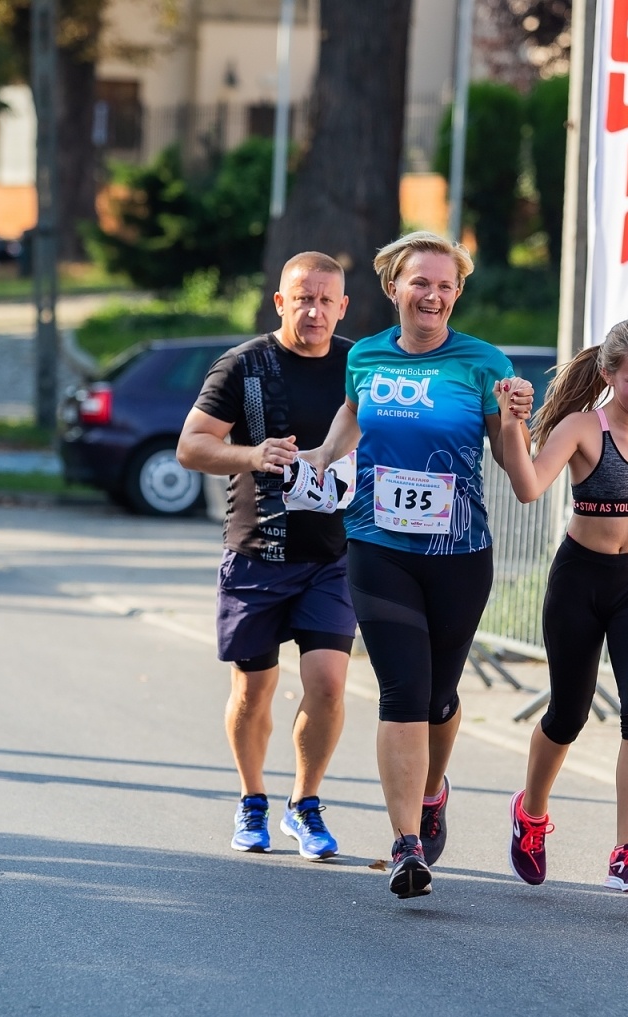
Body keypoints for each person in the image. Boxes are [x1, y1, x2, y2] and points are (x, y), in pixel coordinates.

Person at [305, 231, 534, 899]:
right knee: (402, 691)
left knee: (438, 698)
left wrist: (519, 420)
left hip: (459, 555)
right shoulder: (368, 356)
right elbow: (352, 416)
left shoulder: (485, 364)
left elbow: (519, 477)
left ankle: (432, 792)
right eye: (420, 282)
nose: (432, 295)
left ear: (457, 295)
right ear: (394, 288)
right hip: (377, 546)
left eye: (445, 286)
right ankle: (407, 843)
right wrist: (321, 458)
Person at [495, 318, 628, 895]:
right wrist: (515, 428)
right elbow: (529, 487)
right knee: (568, 714)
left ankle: (627, 851)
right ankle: (532, 813)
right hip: (580, 581)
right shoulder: (580, 430)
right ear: (609, 375)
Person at [176, 252, 356, 860]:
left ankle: (305, 804)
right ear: (280, 302)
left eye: (326, 299)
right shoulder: (244, 366)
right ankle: (252, 797)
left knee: (328, 683)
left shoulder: (360, 366)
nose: (315, 310)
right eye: (303, 297)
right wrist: (253, 457)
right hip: (258, 552)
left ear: (343, 306)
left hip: (332, 554)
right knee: (253, 690)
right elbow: (192, 446)